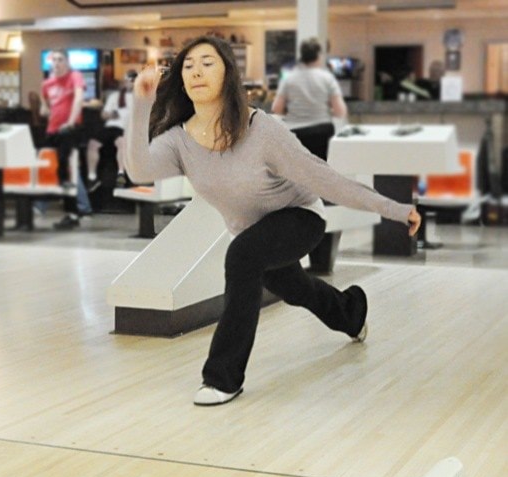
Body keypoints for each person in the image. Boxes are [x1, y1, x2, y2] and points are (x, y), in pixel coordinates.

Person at [125, 35, 421, 406]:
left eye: (207, 62)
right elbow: (139, 170)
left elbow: (324, 178)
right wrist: (140, 105)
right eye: (188, 66)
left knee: (241, 255)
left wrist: (394, 209)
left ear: (227, 74)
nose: (196, 71)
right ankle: (352, 313)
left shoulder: (261, 130)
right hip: (256, 234)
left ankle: (222, 378)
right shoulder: (179, 141)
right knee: (296, 288)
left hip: (300, 218)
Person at [271, 38, 347, 161]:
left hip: (296, 132)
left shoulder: (289, 78)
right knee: (320, 168)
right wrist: (325, 110)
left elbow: (276, 108)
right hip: (321, 132)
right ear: (318, 55)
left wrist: (293, 110)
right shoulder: (327, 78)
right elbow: (340, 111)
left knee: (299, 170)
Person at [40, 48, 91, 230]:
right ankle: (76, 206)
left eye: (60, 59)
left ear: (67, 62)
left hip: (70, 130)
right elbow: (44, 106)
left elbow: (78, 99)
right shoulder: (47, 84)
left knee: (65, 166)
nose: (57, 63)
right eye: (54, 60)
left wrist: (70, 122)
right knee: (48, 164)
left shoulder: (74, 76)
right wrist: (44, 109)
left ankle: (70, 210)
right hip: (52, 131)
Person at [86, 70, 137, 192]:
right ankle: (92, 177)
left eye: (129, 80)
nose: (125, 83)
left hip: (124, 128)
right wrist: (109, 115)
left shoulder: (138, 97)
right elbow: (103, 115)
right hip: (110, 126)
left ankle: (121, 175)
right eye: (124, 80)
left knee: (121, 143)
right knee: (92, 144)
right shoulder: (114, 96)